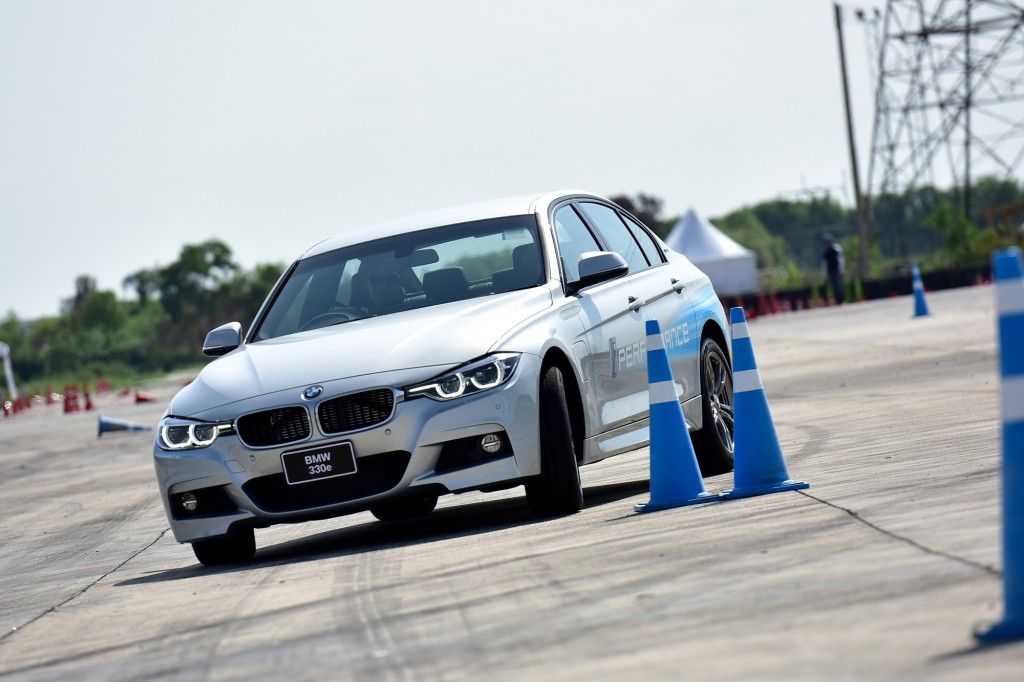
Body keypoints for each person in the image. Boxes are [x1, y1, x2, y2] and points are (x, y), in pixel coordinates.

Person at [821, 233, 846, 304]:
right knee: (834, 286)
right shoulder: (825, 252)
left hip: (836, 270)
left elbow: (841, 260)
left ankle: (841, 299)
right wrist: (825, 274)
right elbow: (824, 264)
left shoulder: (837, 249)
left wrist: (841, 270)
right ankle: (837, 300)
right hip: (830, 271)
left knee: (838, 285)